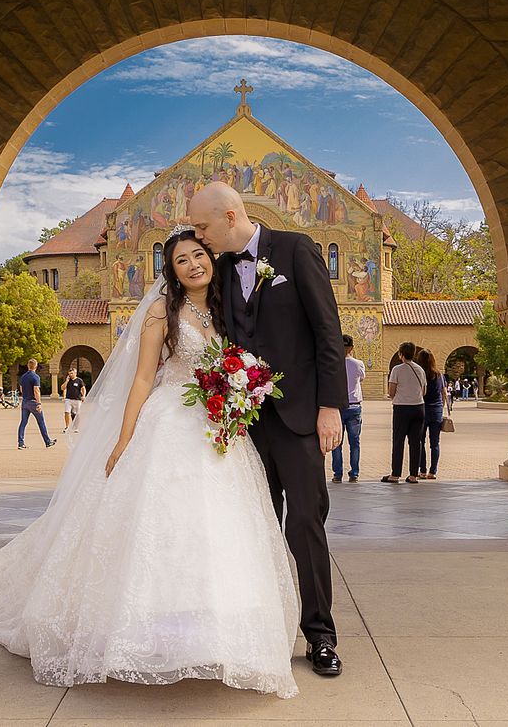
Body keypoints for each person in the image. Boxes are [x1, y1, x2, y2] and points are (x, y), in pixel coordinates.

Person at [0, 228, 299, 697]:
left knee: (215, 527)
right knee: (156, 523)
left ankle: (210, 634)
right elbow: (140, 380)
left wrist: (239, 390)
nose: (193, 264)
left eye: (199, 255)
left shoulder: (227, 308)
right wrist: (124, 438)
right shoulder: (162, 312)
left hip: (217, 429)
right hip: (169, 422)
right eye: (181, 260)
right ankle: (144, 631)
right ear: (170, 272)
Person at [189, 181, 347, 678]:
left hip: (299, 417)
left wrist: (330, 407)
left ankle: (320, 635)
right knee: (250, 528)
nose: (198, 236)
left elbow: (327, 333)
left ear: (231, 217)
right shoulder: (216, 271)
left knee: (304, 525)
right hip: (243, 426)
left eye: (202, 226)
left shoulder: (297, 251)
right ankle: (258, 633)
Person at [383, 342, 426, 484]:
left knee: (398, 441)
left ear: (401, 354)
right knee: (416, 442)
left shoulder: (397, 369)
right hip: (419, 407)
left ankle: (395, 474)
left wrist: (398, 396)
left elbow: (391, 391)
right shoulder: (420, 369)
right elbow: (424, 391)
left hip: (402, 408)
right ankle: (413, 475)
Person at [330, 335, 364, 484]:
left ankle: (338, 474)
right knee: (354, 442)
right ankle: (354, 473)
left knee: (337, 442)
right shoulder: (358, 364)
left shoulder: (334, 364)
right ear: (352, 348)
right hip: (354, 406)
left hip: (338, 406)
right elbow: (361, 378)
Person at [417, 349, 445, 480]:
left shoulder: (420, 374)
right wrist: (441, 406)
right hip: (437, 411)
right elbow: (444, 393)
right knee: (435, 443)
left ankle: (422, 470)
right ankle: (433, 471)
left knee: (420, 441)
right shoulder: (439, 374)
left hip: (422, 410)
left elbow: (421, 392)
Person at [17, 359, 56, 449]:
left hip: (25, 402)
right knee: (41, 421)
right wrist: (39, 403)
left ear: (28, 366)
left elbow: (21, 389)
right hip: (33, 402)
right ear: (36, 366)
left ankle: (20, 442)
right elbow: (36, 390)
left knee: (23, 422)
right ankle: (47, 441)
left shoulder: (23, 377)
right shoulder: (35, 377)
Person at [62, 366, 86, 430]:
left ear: (75, 373)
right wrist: (66, 381)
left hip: (77, 400)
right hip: (68, 399)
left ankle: (76, 427)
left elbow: (83, 389)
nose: (70, 375)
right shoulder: (68, 380)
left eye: (72, 373)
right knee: (67, 412)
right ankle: (67, 426)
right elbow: (63, 388)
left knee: (77, 414)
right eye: (69, 374)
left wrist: (83, 396)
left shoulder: (79, 380)